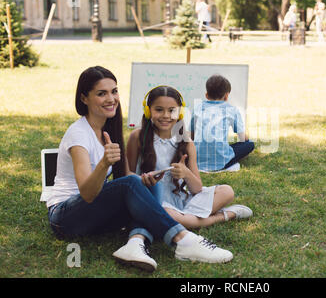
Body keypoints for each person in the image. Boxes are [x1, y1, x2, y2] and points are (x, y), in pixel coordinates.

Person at [46, 66, 234, 273]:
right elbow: (87, 193)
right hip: (65, 218)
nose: (111, 98)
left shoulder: (108, 128)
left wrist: (145, 180)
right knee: (132, 183)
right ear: (84, 98)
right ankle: (183, 240)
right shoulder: (79, 135)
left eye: (114, 91)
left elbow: (125, 176)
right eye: (101, 93)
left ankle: (135, 244)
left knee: (145, 186)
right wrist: (104, 164)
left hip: (92, 215)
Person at [127, 85, 253, 229]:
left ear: (180, 113)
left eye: (172, 110)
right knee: (169, 215)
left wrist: (186, 173)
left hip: (180, 198)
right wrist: (141, 179)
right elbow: (126, 174)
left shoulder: (186, 142)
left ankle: (184, 217)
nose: (166, 115)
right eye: (159, 109)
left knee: (227, 191)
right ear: (148, 111)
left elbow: (197, 188)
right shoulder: (137, 136)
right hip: (152, 199)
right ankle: (224, 215)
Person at [190, 74, 255, 172]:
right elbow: (243, 138)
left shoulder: (198, 108)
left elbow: (192, 136)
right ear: (226, 96)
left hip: (197, 159)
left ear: (206, 95)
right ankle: (223, 158)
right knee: (249, 144)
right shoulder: (231, 110)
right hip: (221, 161)